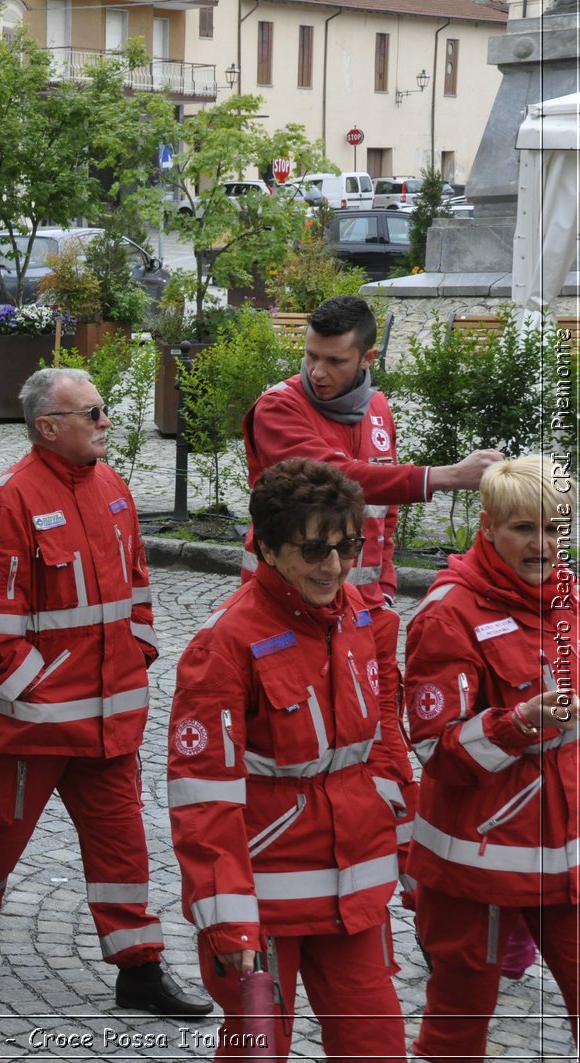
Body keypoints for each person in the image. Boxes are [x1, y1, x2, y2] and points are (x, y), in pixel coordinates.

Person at [0, 365, 209, 1019]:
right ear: (48, 427)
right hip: (31, 727)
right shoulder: (9, 502)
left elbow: (138, 583)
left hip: (107, 722)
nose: (106, 421)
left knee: (123, 845)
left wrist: (138, 654)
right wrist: (44, 695)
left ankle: (138, 966)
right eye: (94, 412)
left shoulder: (110, 486)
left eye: (102, 409)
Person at [169, 458, 415, 1059]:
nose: (334, 568)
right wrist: (229, 921)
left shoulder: (362, 616)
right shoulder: (225, 644)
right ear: (271, 550)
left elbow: (385, 741)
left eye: (347, 546)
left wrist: (405, 847)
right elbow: (204, 797)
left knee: (376, 1047)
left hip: (354, 893)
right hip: (264, 901)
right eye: (313, 551)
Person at [403, 454, 578, 1061]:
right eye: (524, 529)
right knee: (457, 1024)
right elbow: (436, 750)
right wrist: (521, 723)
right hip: (476, 867)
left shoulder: (569, 598)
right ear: (487, 525)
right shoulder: (449, 614)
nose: (543, 545)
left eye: (555, 528)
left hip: (568, 857)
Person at [242, 295, 503, 609]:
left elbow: (385, 513)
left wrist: (385, 588)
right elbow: (334, 480)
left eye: (335, 361)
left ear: (368, 358)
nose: (317, 372)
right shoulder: (278, 406)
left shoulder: (376, 407)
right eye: (311, 356)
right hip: (286, 599)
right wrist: (448, 476)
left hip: (365, 605)